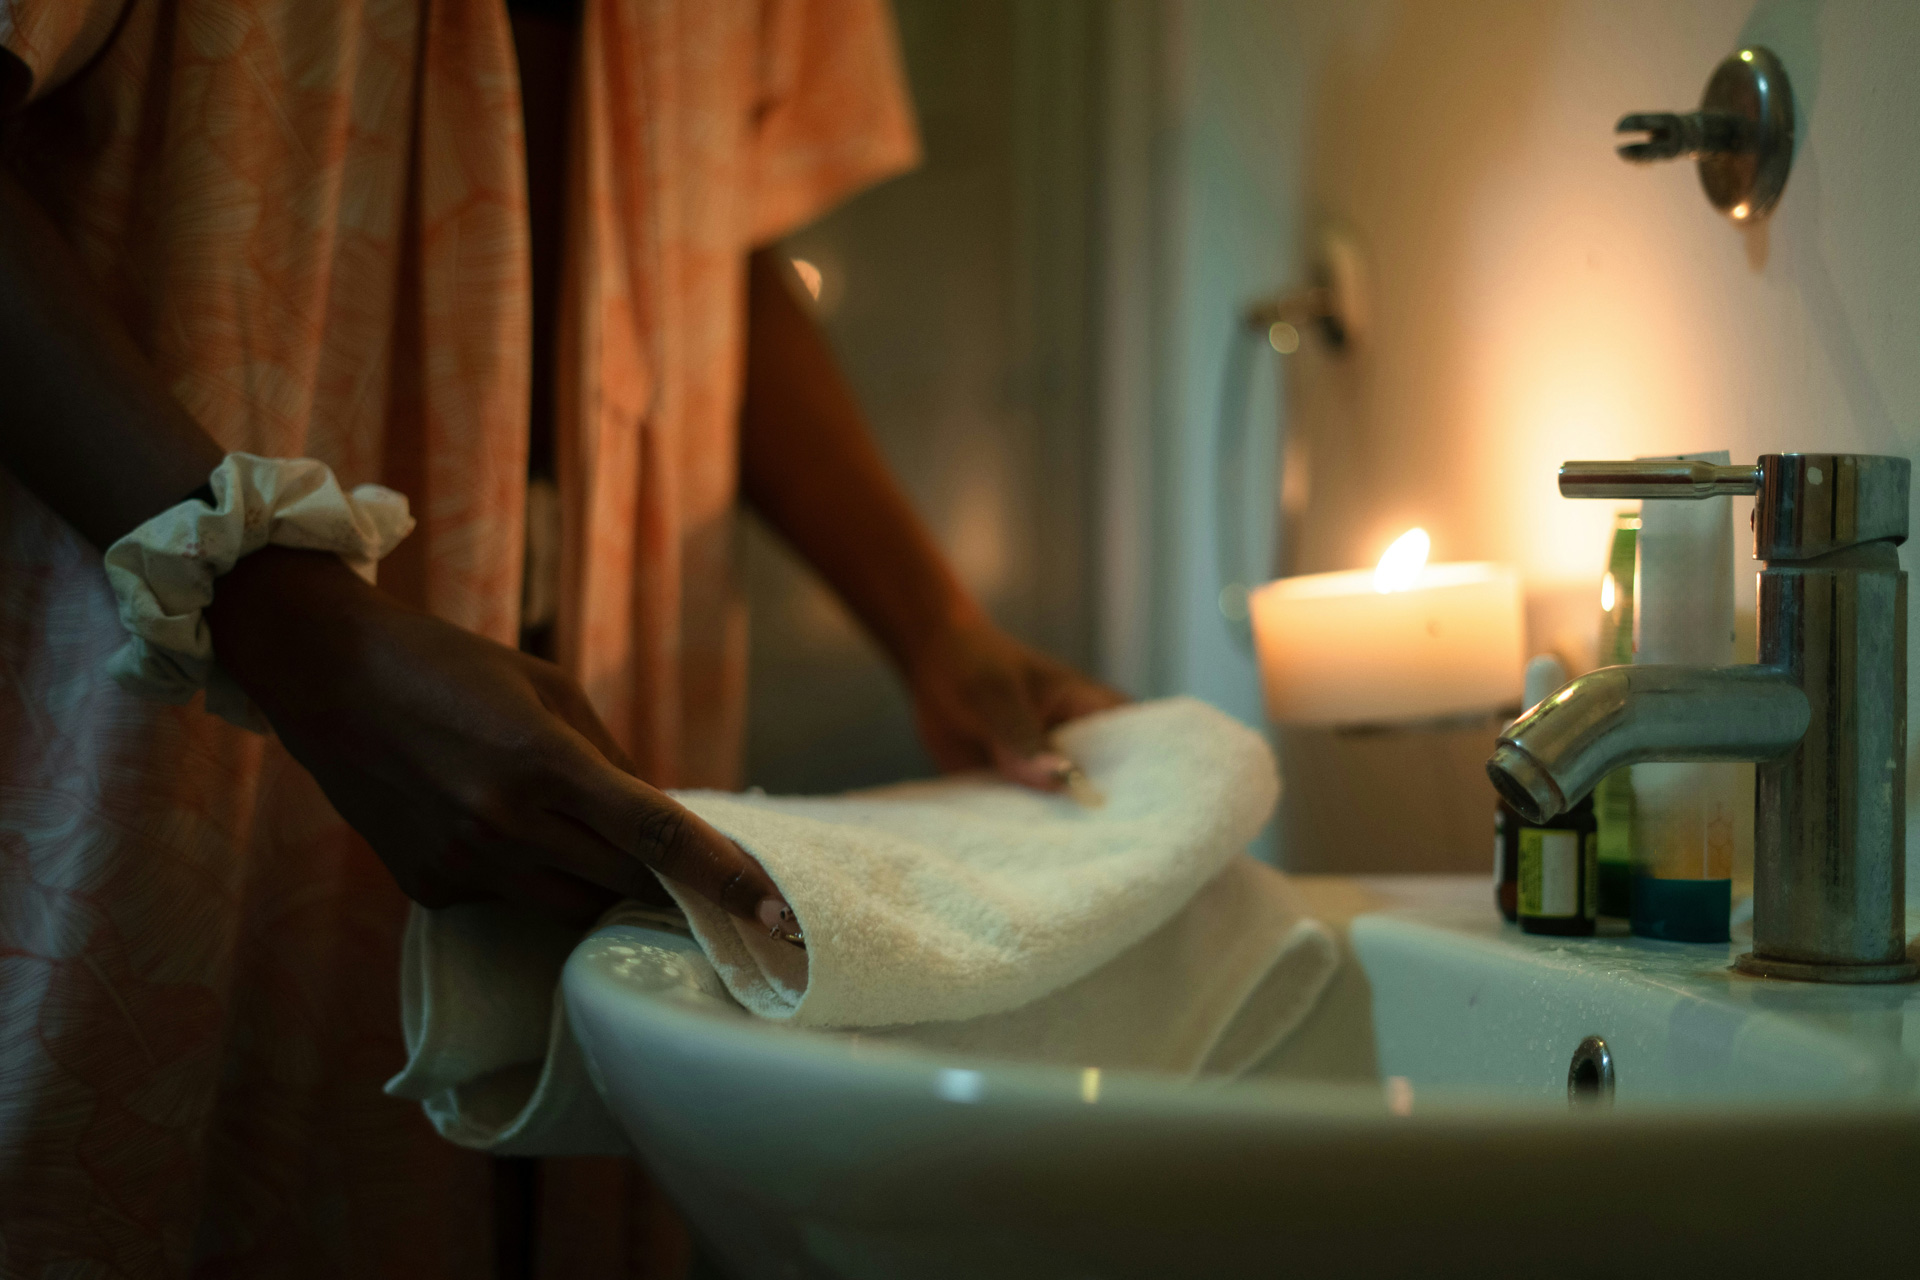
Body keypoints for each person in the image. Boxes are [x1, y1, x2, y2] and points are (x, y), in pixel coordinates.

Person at [0, 0, 1119, 1273]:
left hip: (608, 701)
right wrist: (277, 614)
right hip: (141, 707)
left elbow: (705, 238)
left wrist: (935, 626)